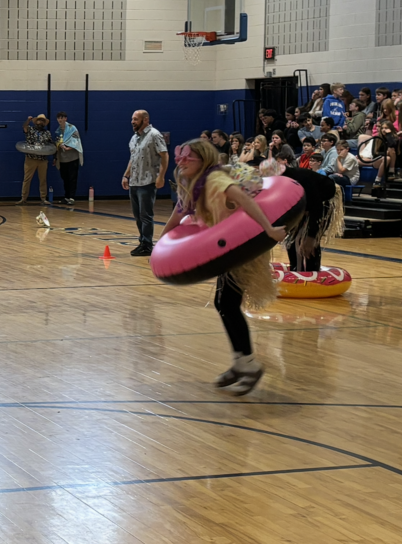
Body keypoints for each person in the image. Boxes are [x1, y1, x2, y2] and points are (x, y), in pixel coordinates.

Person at [161, 139, 285, 395]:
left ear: (202, 160)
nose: (181, 161)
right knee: (224, 304)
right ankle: (241, 362)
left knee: (227, 304)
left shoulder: (215, 180)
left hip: (241, 248)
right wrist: (161, 243)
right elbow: (179, 212)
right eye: (180, 157)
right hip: (224, 248)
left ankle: (248, 365)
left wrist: (269, 229)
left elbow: (245, 200)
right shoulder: (190, 184)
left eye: (187, 158)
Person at [260, 154, 343, 273]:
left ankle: (311, 272)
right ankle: (296, 271)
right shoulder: (278, 183)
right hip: (304, 204)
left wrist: (311, 236)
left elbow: (316, 207)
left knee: (305, 242)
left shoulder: (300, 179)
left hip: (324, 200)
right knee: (292, 242)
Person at [122, 110, 169, 256]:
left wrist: (161, 176)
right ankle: (142, 240)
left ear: (145, 120)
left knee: (145, 215)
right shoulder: (134, 138)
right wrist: (126, 175)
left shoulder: (154, 135)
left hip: (148, 181)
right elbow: (133, 158)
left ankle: (147, 244)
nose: (133, 121)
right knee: (137, 215)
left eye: (136, 119)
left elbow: (164, 155)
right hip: (135, 181)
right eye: (132, 119)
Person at [18, 114, 52, 205]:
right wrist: (28, 120)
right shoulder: (30, 130)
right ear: (36, 121)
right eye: (39, 120)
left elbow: (50, 146)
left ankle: (43, 198)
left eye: (42, 121)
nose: (40, 122)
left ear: (44, 123)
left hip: (42, 159)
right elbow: (24, 127)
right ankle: (23, 198)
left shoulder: (47, 133)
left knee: (43, 179)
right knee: (27, 179)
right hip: (30, 159)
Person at [55, 111, 84, 205]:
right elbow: (57, 143)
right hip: (63, 158)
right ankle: (66, 197)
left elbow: (77, 141)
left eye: (62, 117)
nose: (60, 119)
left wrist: (68, 147)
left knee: (72, 178)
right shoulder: (58, 131)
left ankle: (72, 197)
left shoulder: (72, 128)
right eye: (58, 118)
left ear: (65, 118)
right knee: (64, 178)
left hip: (72, 157)